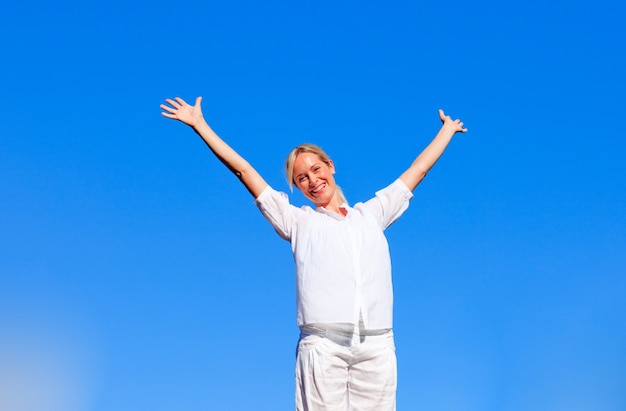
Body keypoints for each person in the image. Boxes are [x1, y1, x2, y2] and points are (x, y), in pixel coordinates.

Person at [160, 96, 467, 410]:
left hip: (377, 343)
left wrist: (446, 131)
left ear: (330, 166)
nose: (312, 180)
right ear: (297, 187)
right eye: (301, 178)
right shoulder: (298, 221)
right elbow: (244, 171)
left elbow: (418, 171)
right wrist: (200, 125)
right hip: (322, 344)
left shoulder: (371, 214)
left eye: (316, 169)